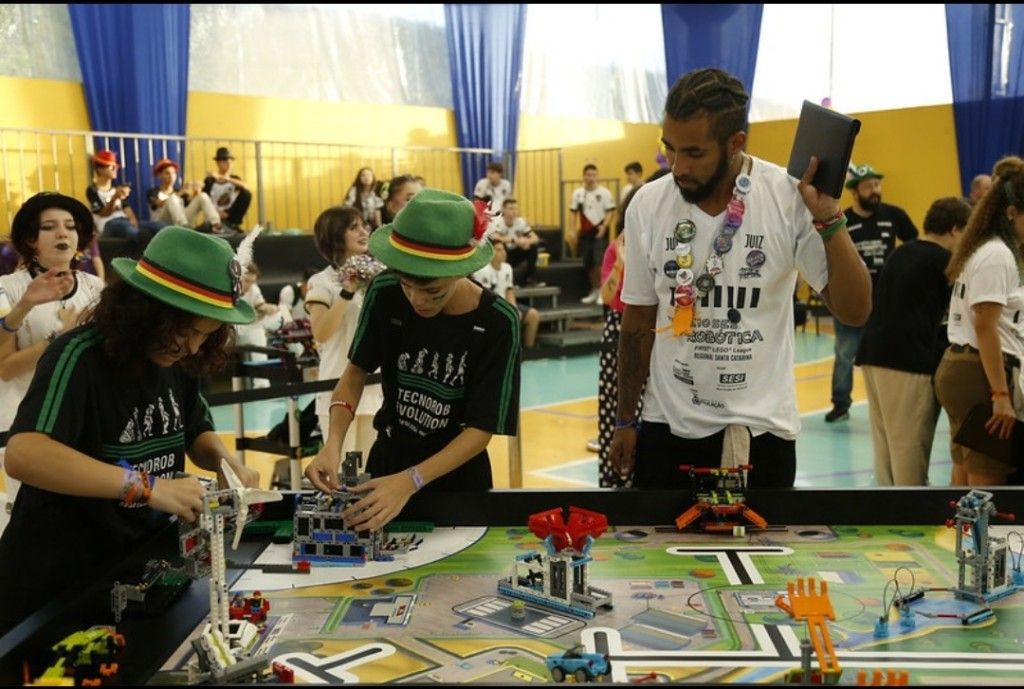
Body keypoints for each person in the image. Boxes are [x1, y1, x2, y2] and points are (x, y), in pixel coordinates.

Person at [610, 67, 871, 489]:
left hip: (761, 435)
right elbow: (638, 321)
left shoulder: (786, 198)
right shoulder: (646, 205)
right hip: (666, 429)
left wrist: (828, 216)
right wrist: (625, 419)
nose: (678, 167)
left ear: (735, 144)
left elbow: (856, 310)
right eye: (669, 149)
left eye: (694, 153)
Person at [0, 225, 261, 634]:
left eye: (205, 335)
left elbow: (196, 431)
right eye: (186, 330)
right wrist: (149, 487)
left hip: (134, 568)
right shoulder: (78, 355)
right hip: (56, 584)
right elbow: (24, 453)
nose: (192, 347)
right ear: (146, 311)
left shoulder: (181, 361)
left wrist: (227, 463)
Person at [305, 189, 521, 531]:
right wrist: (333, 444)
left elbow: (481, 430)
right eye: (407, 286)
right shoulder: (384, 291)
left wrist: (411, 481)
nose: (417, 300)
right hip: (389, 460)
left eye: (432, 291)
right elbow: (355, 372)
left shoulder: (499, 321)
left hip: (458, 479)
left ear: (460, 270)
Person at [0, 193, 106, 528]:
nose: (63, 233)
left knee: (87, 520)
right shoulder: (9, 288)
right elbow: (4, 368)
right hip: (25, 423)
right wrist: (57, 339)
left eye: (70, 227)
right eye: (49, 227)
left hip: (85, 422)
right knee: (36, 522)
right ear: (31, 240)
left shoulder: (96, 287)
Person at [857, 197, 970, 486]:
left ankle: (887, 522)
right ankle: (911, 521)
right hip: (906, 361)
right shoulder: (945, 262)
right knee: (909, 453)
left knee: (885, 453)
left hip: (872, 355)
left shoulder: (902, 252)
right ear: (956, 230)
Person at [935, 156, 1024, 487]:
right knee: (987, 484)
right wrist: (1000, 394)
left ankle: (956, 539)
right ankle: (980, 540)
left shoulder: (986, 248)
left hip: (964, 366)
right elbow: (985, 325)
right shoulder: (997, 254)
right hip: (979, 372)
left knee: (964, 470)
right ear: (1012, 212)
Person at [826, 163, 918, 422]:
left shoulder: (894, 215)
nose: (875, 190)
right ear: (855, 192)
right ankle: (840, 404)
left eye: (877, 185)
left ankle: (895, 403)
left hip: (888, 300)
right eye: (868, 187)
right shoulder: (843, 220)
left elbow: (914, 243)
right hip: (853, 299)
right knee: (845, 353)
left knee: (892, 353)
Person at [304, 206, 383, 458]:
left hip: (377, 391)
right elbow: (321, 332)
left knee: (372, 473)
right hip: (337, 391)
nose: (364, 231)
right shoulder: (322, 281)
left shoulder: (380, 276)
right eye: (353, 227)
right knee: (343, 478)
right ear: (336, 236)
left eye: (364, 225)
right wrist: (347, 291)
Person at [473, 237, 540, 348]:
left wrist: (514, 309)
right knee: (504, 319)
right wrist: (507, 311)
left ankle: (529, 350)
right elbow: (486, 298)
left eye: (503, 249)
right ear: (490, 253)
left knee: (533, 315)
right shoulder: (483, 270)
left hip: (504, 305)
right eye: (499, 250)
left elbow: (509, 291)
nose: (503, 253)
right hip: (488, 308)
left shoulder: (507, 268)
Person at [86, 150, 163, 244]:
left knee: (158, 226)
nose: (115, 169)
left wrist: (133, 220)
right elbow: (103, 213)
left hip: (124, 221)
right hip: (107, 224)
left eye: (116, 166)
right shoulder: (93, 190)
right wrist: (115, 198)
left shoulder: (116, 188)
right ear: (99, 169)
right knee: (131, 231)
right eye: (112, 166)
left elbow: (127, 209)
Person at [570, 164, 616, 304]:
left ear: (597, 176)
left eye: (594, 175)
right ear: (583, 176)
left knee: (599, 263)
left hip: (599, 232)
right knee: (588, 263)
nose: (591, 178)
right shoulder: (577, 194)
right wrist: (572, 230)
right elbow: (573, 213)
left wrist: (604, 227)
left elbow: (611, 211)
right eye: (588, 175)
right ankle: (595, 291)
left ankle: (604, 292)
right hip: (585, 233)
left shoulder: (604, 193)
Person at [147, 158, 224, 233]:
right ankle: (183, 229)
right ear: (160, 175)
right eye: (167, 173)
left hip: (180, 221)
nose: (171, 176)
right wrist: (180, 193)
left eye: (174, 173)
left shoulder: (178, 191)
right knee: (172, 198)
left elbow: (187, 207)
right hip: (162, 224)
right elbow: (158, 203)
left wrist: (197, 192)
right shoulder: (154, 191)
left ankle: (216, 225)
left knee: (202, 196)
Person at [488, 198, 540, 285]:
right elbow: (494, 237)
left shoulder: (520, 222)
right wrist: (514, 240)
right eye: (511, 208)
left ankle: (528, 279)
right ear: (503, 209)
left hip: (514, 254)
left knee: (532, 247)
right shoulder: (497, 221)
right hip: (502, 255)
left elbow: (535, 238)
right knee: (499, 245)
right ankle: (499, 279)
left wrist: (526, 241)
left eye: (516, 208)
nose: (514, 211)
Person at [202, 147, 252, 231]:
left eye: (230, 161)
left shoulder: (234, 179)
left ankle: (232, 223)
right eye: (225, 161)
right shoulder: (210, 180)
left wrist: (226, 178)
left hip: (230, 215)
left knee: (246, 194)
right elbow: (204, 198)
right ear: (218, 163)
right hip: (214, 215)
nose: (229, 164)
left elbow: (246, 187)